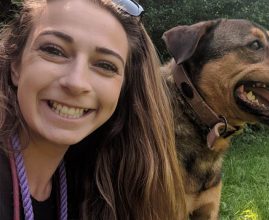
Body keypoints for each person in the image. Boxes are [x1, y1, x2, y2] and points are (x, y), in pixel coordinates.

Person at [0, 0, 186, 219]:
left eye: (105, 65)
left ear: (124, 89)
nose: (76, 82)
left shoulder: (102, 187)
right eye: (54, 50)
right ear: (16, 65)